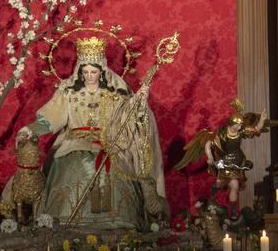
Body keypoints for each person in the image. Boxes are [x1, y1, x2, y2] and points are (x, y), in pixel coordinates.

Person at [17, 36, 168, 232]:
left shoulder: (115, 93)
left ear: (102, 71)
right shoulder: (70, 93)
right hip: (74, 144)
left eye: (94, 72)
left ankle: (119, 221)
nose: (89, 76)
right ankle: (64, 221)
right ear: (79, 71)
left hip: (109, 144)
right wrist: (31, 129)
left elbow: (129, 120)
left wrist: (138, 103)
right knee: (76, 164)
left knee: (115, 168)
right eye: (85, 71)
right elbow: (50, 119)